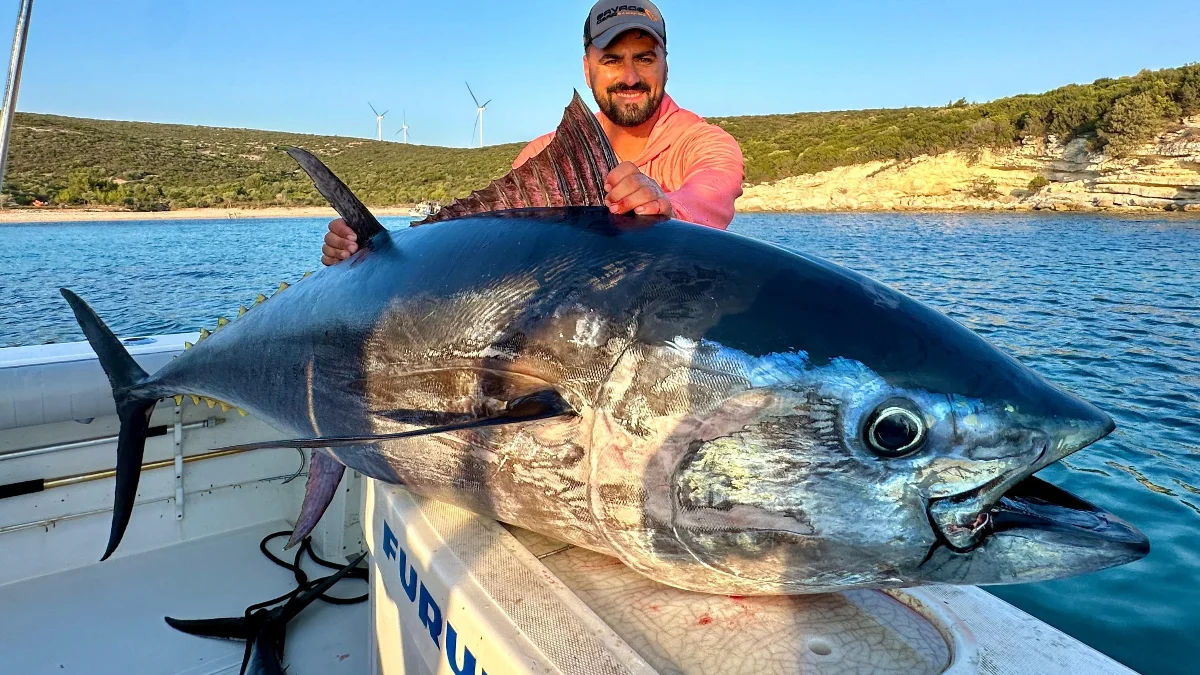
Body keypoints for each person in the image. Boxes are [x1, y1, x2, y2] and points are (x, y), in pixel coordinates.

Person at [321, 0, 744, 266]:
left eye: (645, 58)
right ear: (587, 69)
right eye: (612, 60)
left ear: (666, 63)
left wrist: (667, 208)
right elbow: (494, 250)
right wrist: (368, 257)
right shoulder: (545, 155)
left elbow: (709, 196)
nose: (630, 76)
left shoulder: (706, 143)